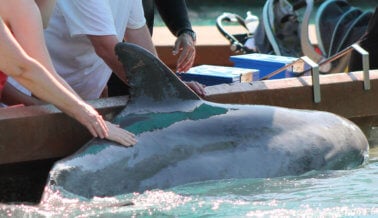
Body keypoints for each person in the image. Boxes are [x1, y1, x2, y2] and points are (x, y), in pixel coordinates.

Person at [0, 0, 136, 147]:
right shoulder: (18, 4)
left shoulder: (25, 7)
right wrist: (91, 117)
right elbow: (23, 69)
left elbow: (43, 71)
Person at [107, 0, 205, 97]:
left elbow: (137, 32)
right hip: (100, 75)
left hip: (129, 74)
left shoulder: (133, 3)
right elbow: (103, 46)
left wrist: (168, 84)